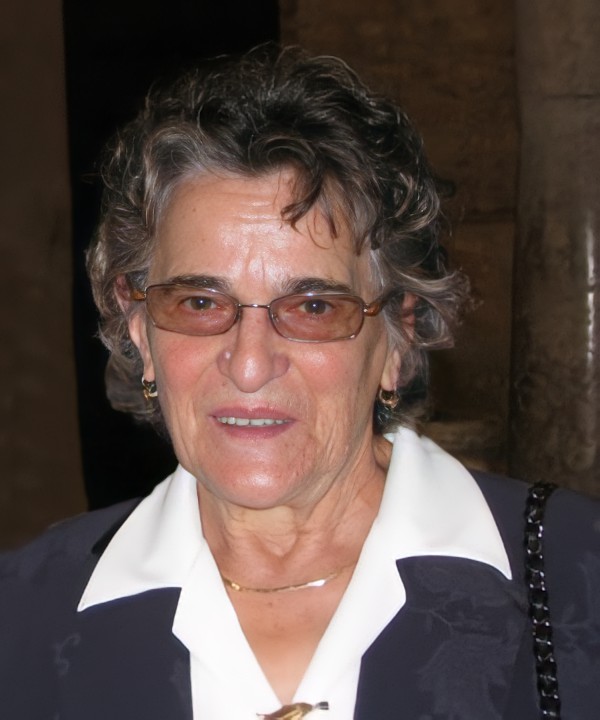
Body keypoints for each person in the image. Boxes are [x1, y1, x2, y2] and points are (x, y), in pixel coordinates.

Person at [1, 45, 599, 720]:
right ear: (140, 330)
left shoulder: (578, 579)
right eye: (199, 302)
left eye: (313, 307)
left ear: (397, 338)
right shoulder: (24, 617)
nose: (250, 364)